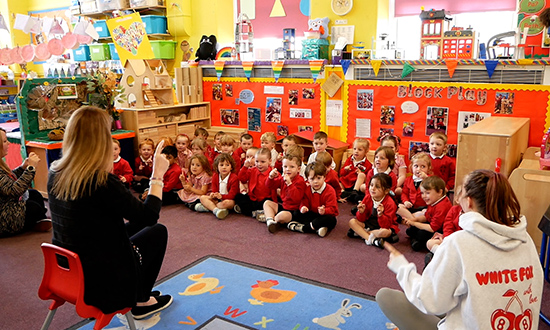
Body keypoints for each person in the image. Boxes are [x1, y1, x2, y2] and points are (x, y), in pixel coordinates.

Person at [376, 169, 543, 330]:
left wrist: (402, 268)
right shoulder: (525, 239)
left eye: (460, 192)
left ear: (468, 201)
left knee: (386, 297)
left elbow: (429, 302)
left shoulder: (459, 243)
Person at [47, 106, 172, 319]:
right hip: (102, 279)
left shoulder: (56, 172)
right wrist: (157, 175)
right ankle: (139, 300)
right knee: (157, 231)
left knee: (137, 227)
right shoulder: (101, 181)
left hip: (70, 269)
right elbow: (150, 215)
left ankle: (139, 293)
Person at [0, 128, 51, 236]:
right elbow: (14, 190)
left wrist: (23, 167)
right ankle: (36, 220)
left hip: (7, 206)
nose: (8, 143)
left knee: (34, 194)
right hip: (3, 217)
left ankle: (39, 220)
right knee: (33, 206)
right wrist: (31, 168)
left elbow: (8, 179)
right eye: (4, 141)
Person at [348, 173, 398, 248]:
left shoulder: (390, 203)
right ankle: (372, 240)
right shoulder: (368, 197)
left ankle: (361, 234)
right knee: (352, 222)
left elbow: (386, 225)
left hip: (382, 226)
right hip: (369, 223)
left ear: (386, 191)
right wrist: (361, 212)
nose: (372, 188)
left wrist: (381, 215)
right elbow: (361, 219)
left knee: (384, 232)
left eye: (377, 187)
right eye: (371, 185)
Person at [289, 162, 338, 237]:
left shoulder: (330, 191)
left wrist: (324, 211)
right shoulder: (307, 189)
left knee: (331, 220)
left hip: (325, 215)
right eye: (312, 179)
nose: (315, 182)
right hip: (312, 213)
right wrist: (303, 207)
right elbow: (304, 200)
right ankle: (318, 228)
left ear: (324, 177)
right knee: (296, 213)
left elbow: (332, 208)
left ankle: (305, 228)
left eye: (319, 178)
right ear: (308, 179)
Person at [403, 176, 452, 251]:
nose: (424, 196)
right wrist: (414, 220)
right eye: (422, 193)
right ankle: (416, 240)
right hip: (432, 225)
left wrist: (414, 223)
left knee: (421, 234)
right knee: (411, 230)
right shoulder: (434, 200)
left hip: (439, 230)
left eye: (427, 193)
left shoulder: (442, 207)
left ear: (439, 192)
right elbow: (427, 216)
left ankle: (419, 243)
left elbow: (432, 228)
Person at [263, 154, 306, 233]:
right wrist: (270, 177)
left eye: (292, 167)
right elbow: (269, 185)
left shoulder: (300, 181)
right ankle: (270, 221)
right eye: (285, 167)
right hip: (284, 206)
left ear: (298, 169)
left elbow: (296, 198)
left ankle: (273, 220)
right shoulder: (283, 178)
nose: (288, 169)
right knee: (267, 203)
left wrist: (289, 184)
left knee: (282, 216)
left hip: (293, 211)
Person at [234, 148, 276, 220]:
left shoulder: (273, 172)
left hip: (265, 200)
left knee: (268, 204)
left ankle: (256, 212)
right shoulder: (252, 170)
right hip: (253, 198)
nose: (259, 164)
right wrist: (245, 167)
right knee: (238, 197)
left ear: (270, 161)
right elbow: (242, 179)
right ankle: (255, 212)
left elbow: (278, 184)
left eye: (262, 162)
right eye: (257, 161)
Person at [196, 153, 239, 220]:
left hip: (228, 199)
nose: (224, 167)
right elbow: (214, 190)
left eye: (227, 165)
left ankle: (209, 207)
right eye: (221, 165)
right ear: (217, 167)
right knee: (202, 198)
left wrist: (222, 196)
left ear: (231, 167)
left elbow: (232, 195)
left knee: (226, 203)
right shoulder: (215, 176)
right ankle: (216, 210)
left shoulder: (234, 178)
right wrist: (213, 195)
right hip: (218, 199)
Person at [397, 152, 431, 220]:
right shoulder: (408, 180)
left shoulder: (430, 179)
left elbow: (433, 190)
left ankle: (410, 219)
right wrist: (406, 201)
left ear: (428, 168)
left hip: (424, 207)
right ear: (411, 167)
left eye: (423, 167)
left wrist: (426, 178)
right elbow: (404, 193)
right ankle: (412, 218)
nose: (419, 169)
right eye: (416, 166)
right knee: (398, 207)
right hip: (411, 207)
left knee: (426, 213)